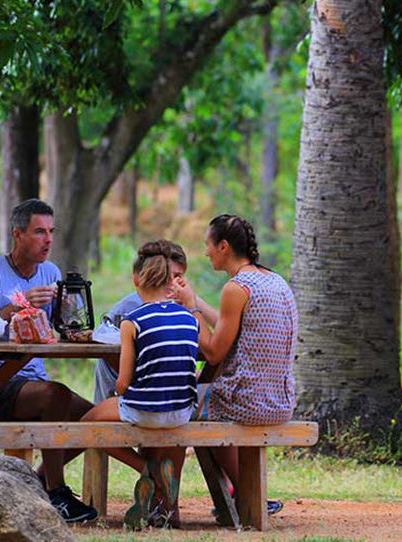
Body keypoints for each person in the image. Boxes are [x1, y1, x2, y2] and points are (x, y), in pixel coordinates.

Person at [0, 199, 97, 523]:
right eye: (39, 232)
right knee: (57, 395)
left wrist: (70, 319)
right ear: (17, 234)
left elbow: (52, 329)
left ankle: (35, 481)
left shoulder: (50, 273)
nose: (48, 240)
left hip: (33, 378)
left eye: (51, 231)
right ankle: (57, 493)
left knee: (94, 417)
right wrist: (16, 307)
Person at [172, 214, 297, 516]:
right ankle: (240, 492)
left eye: (208, 245)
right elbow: (230, 324)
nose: (206, 252)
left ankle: (244, 492)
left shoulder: (236, 288)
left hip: (250, 403)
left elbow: (214, 352)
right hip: (280, 401)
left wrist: (189, 308)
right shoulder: (272, 279)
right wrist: (196, 301)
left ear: (224, 246)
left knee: (183, 404)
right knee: (206, 398)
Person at [81, 241, 199, 529]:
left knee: (87, 424)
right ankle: (162, 504)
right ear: (171, 283)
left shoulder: (131, 321)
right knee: (153, 420)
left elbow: (123, 381)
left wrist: (119, 393)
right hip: (182, 412)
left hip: (145, 410)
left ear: (137, 280)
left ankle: (147, 469)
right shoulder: (189, 317)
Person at [92, 239, 189, 404]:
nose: (172, 283)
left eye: (178, 276)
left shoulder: (181, 308)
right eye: (167, 275)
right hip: (123, 397)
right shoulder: (131, 308)